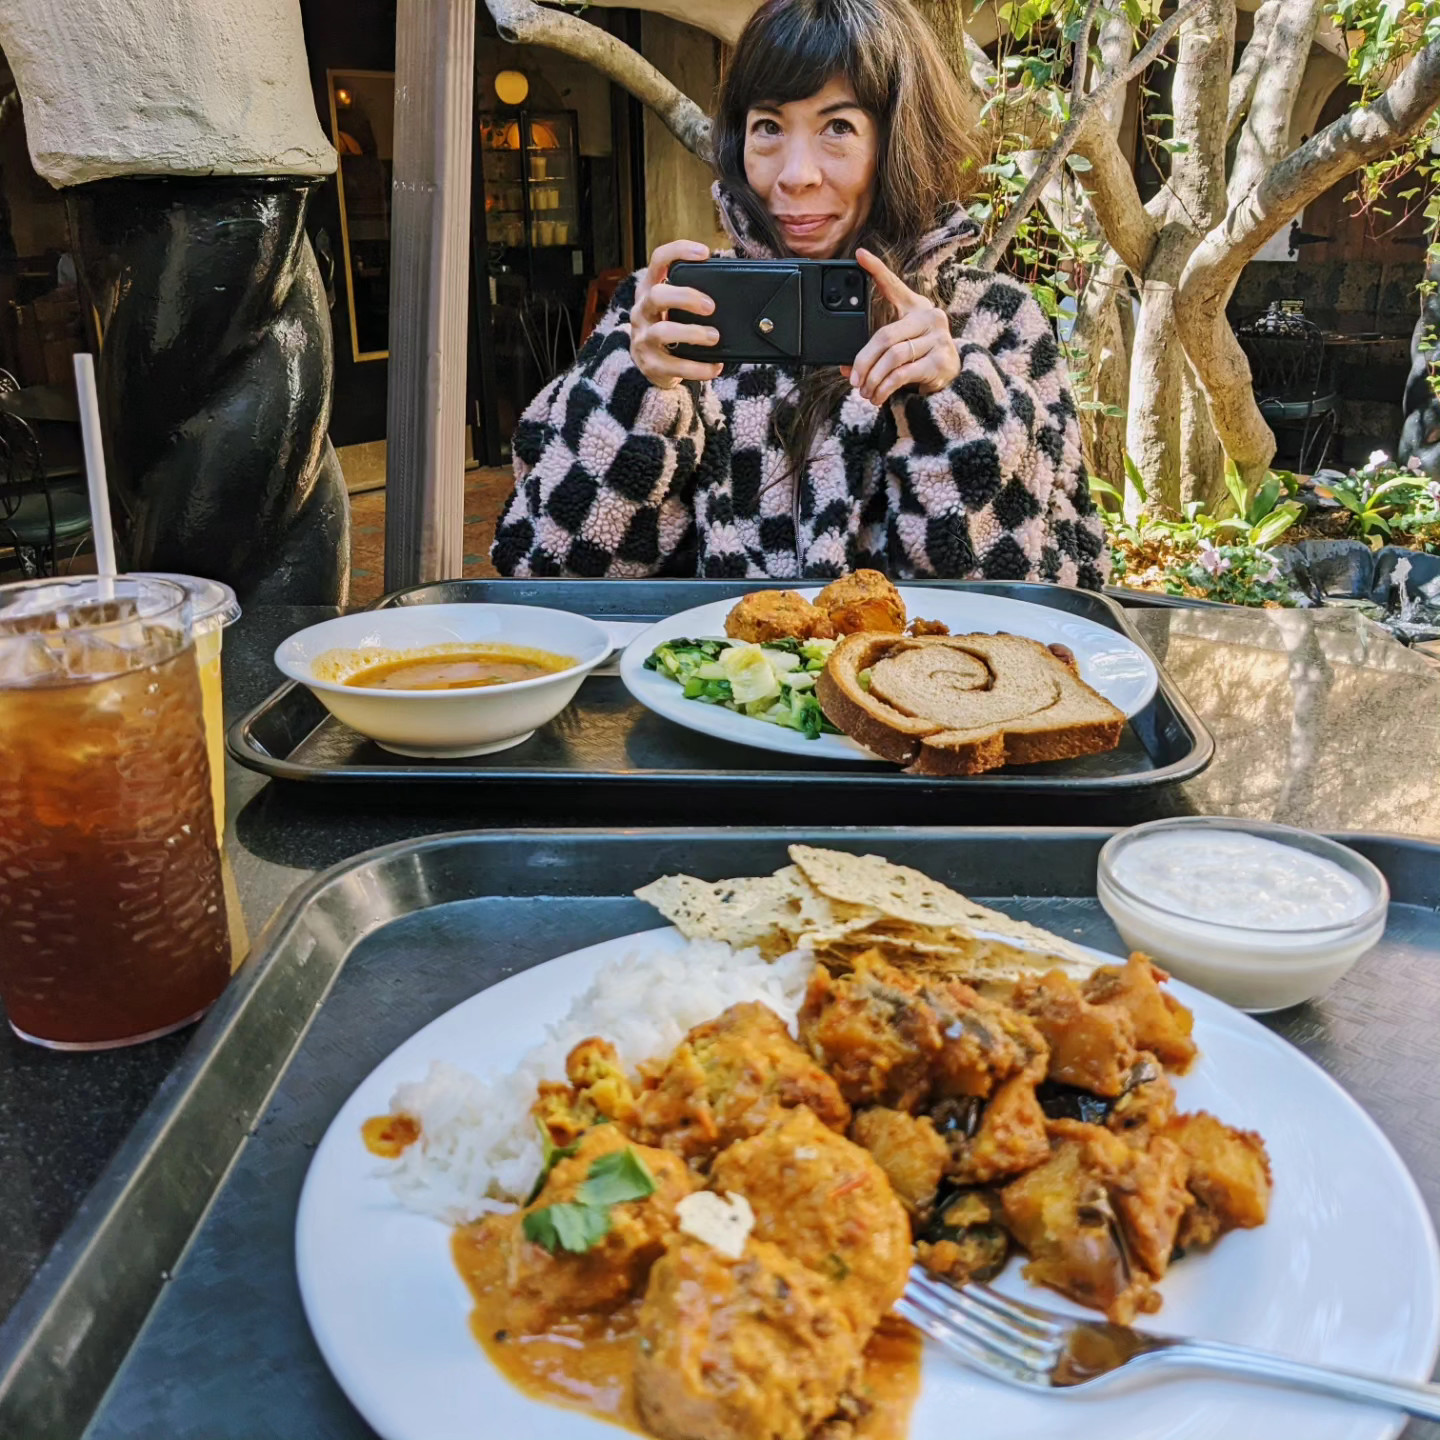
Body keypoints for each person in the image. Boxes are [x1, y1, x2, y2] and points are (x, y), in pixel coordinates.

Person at [491, 0, 1109, 588]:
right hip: (711, 696)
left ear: (897, 141)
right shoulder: (670, 319)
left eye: (837, 126)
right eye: (767, 127)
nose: (794, 175)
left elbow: (1048, 588)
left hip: (900, 695)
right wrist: (639, 390)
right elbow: (548, 571)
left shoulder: (993, 322)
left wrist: (952, 401)